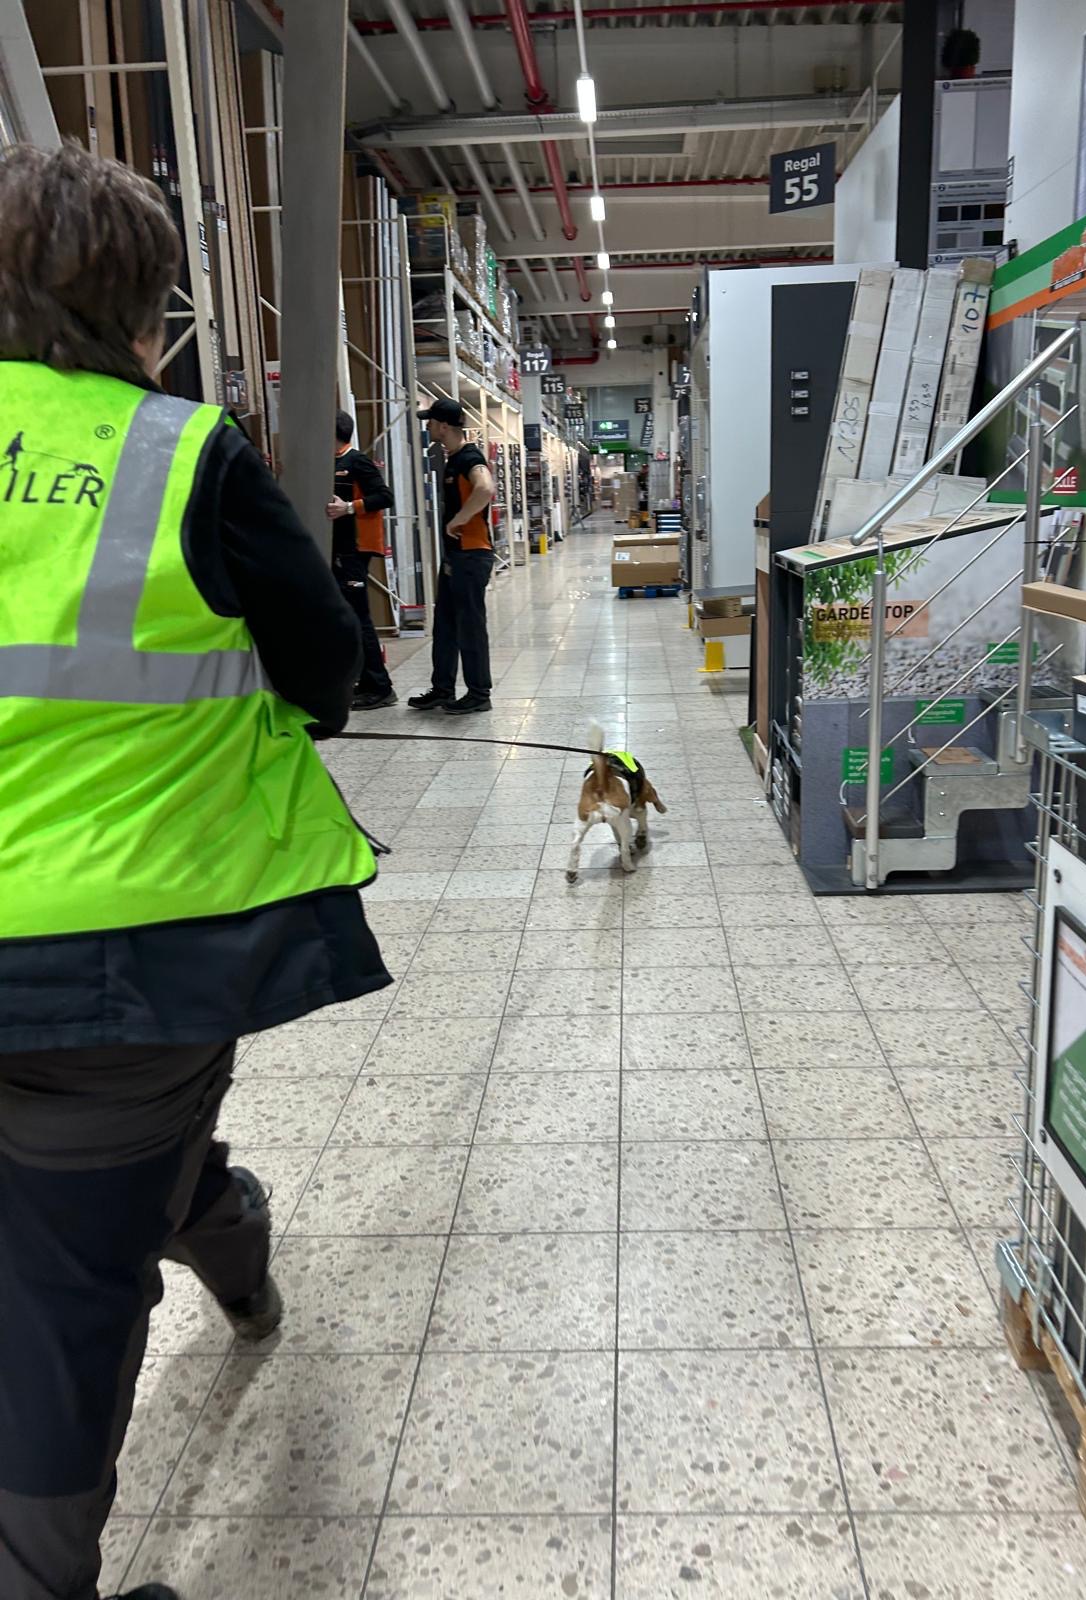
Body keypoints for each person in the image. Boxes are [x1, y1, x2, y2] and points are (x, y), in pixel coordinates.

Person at [0, 142, 391, 1600]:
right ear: (147, 312)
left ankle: (227, 1233)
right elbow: (328, 665)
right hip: (121, 960)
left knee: (98, 1197)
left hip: (97, 992)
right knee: (68, 1295)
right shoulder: (178, 453)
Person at [407, 396, 497, 715]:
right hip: (455, 556)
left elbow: (485, 488)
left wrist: (459, 519)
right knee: (445, 624)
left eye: (431, 422)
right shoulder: (453, 458)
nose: (428, 426)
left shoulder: (469, 457)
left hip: (472, 556)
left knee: (469, 626)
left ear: (443, 426)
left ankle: (479, 693)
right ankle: (442, 689)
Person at [327, 411, 397, 710]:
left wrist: (349, 508)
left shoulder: (356, 461)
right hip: (338, 550)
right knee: (349, 618)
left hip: (356, 549)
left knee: (360, 618)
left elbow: (385, 496)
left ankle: (381, 686)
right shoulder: (330, 463)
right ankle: (366, 680)